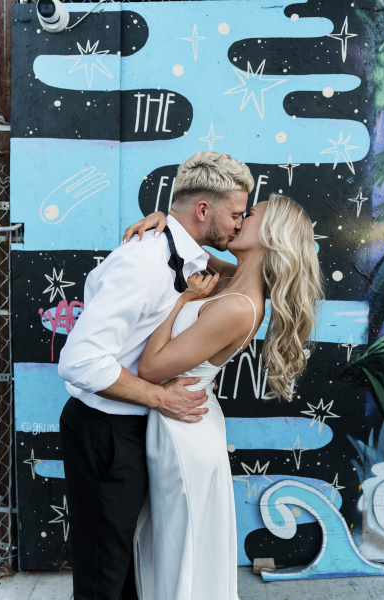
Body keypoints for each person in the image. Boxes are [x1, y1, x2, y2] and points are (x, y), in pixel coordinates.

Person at [57, 150, 253, 600]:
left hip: (140, 429)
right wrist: (162, 398)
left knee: (131, 569)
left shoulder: (191, 256)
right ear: (204, 210)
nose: (239, 225)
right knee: (103, 578)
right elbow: (79, 360)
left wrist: (168, 216)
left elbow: (245, 272)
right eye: (236, 214)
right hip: (106, 431)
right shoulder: (143, 263)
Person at [123, 192, 324, 600]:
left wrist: (182, 301)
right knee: (170, 546)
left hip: (183, 435)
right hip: (180, 421)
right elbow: (186, 242)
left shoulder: (239, 306)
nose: (237, 220)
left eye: (248, 215)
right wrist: (167, 217)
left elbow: (151, 368)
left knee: (182, 551)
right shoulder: (232, 278)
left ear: (270, 234)